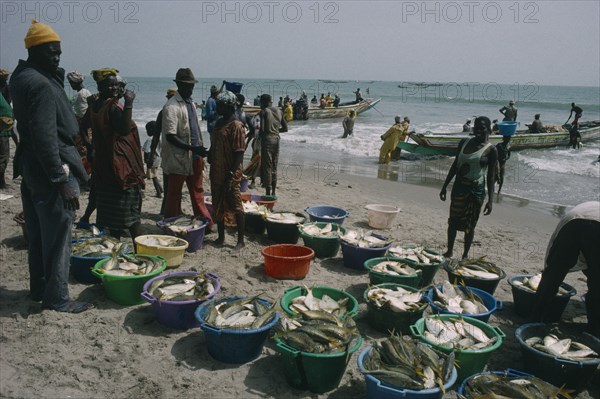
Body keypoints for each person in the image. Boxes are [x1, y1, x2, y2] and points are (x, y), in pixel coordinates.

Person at [10, 19, 92, 313]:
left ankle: (39, 288)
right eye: (50, 52)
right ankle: (57, 297)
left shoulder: (21, 77)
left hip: (30, 165)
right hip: (50, 167)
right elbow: (45, 137)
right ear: (34, 50)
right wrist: (60, 179)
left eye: (58, 52)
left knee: (38, 232)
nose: (57, 57)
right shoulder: (42, 85)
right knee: (59, 234)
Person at [89, 69, 145, 241]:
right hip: (120, 167)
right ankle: (139, 253)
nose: (115, 88)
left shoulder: (95, 104)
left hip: (104, 167)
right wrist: (129, 102)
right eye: (110, 85)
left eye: (116, 84)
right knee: (132, 217)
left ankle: (116, 248)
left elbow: (84, 128)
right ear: (100, 86)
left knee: (112, 219)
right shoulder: (111, 108)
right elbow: (124, 129)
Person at [531, 201, 599, 337]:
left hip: (572, 221)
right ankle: (593, 330)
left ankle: (535, 319)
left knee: (552, 276)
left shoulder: (591, 205)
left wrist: (549, 272)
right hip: (589, 225)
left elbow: (552, 262)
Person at [439, 116, 497, 259]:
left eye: (482, 128)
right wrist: (445, 186)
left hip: (476, 191)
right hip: (459, 188)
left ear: (489, 130)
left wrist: (490, 200)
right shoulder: (463, 143)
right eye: (476, 127)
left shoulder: (491, 150)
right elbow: (455, 166)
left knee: (470, 225)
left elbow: (491, 176)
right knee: (453, 221)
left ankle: (465, 255)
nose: (478, 130)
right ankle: (449, 251)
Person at [162, 68, 213, 229]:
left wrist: (198, 150)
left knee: (198, 192)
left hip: (195, 157)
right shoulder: (171, 106)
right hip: (179, 158)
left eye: (191, 86)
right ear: (179, 85)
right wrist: (192, 148)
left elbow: (195, 129)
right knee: (174, 194)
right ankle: (170, 223)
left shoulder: (190, 103)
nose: (190, 89)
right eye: (186, 86)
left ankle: (206, 222)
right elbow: (170, 136)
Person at [209, 91, 246, 249]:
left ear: (229, 107)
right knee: (218, 204)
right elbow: (214, 143)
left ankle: (240, 241)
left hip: (231, 172)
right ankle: (221, 237)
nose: (217, 107)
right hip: (216, 171)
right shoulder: (218, 123)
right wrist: (210, 154)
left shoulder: (236, 126)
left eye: (220, 105)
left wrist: (231, 174)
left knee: (235, 205)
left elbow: (239, 152)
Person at [149, 87, 176, 214]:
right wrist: (150, 155)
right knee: (169, 185)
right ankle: (166, 210)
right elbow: (155, 136)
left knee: (172, 185)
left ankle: (166, 209)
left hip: (172, 154)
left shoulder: (175, 111)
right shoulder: (164, 112)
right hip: (168, 154)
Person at [259, 94, 287, 196]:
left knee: (267, 166)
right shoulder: (279, 111)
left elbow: (262, 130)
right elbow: (285, 128)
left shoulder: (264, 112)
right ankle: (274, 192)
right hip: (276, 139)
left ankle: (268, 192)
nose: (260, 105)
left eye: (260, 103)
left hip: (267, 141)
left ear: (264, 102)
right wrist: (275, 131)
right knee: (274, 165)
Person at [0, 93, 19, 189]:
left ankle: (2, 181)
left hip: (5, 131)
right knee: (3, 158)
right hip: (2, 133)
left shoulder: (5, 95)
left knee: (4, 159)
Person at [143, 121, 163, 198]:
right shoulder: (159, 138)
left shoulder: (149, 139)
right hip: (157, 159)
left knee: (152, 177)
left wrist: (146, 160)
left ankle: (158, 193)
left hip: (151, 160)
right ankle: (160, 189)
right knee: (154, 175)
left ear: (151, 130)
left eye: (147, 130)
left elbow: (147, 151)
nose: (147, 132)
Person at [243, 114, 261, 189]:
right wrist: (246, 142)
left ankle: (254, 180)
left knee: (257, 161)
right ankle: (253, 180)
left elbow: (253, 132)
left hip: (261, 141)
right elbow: (253, 132)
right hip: (257, 141)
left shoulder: (258, 118)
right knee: (256, 161)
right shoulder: (254, 119)